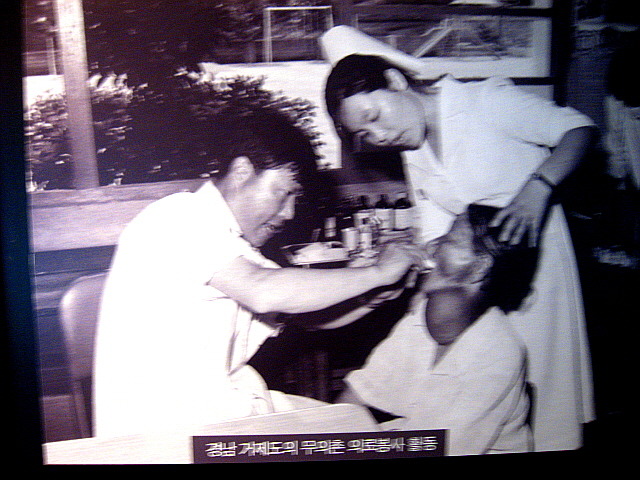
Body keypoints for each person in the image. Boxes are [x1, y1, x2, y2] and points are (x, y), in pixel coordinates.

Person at [321, 25, 596, 451]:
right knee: (485, 403)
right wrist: (415, 279)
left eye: (374, 118)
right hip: (474, 286)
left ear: (395, 81)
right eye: (365, 135)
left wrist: (538, 189)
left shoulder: (484, 102)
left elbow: (578, 130)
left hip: (536, 274)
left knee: (547, 405)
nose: (379, 137)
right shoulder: (415, 150)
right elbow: (437, 233)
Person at [92, 110, 424, 438]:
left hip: (215, 409)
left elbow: (308, 316)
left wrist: (369, 298)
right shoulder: (178, 218)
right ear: (242, 171)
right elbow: (263, 291)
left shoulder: (231, 242)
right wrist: (377, 272)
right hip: (167, 427)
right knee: (355, 436)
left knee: (353, 424)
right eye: (284, 193)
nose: (289, 213)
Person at [338, 204, 539, 456]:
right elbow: (356, 395)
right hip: (412, 442)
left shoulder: (498, 351)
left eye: (449, 241)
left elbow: (439, 449)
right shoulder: (423, 316)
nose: (432, 247)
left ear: (479, 268)